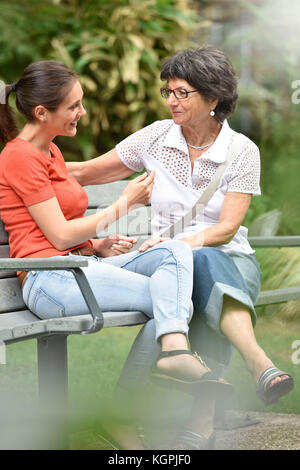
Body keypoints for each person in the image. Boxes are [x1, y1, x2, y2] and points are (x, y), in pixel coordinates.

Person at [0, 60, 233, 450]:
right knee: (171, 303)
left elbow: (49, 227)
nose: (82, 112)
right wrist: (123, 204)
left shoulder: (51, 153)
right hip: (49, 280)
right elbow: (55, 236)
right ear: (42, 112)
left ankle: (172, 352)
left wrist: (96, 245)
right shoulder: (18, 157)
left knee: (173, 252)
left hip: (77, 265)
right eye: (74, 106)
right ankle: (131, 405)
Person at [67, 46, 294, 445]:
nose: (172, 100)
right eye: (168, 91)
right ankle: (251, 371)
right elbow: (86, 172)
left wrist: (181, 244)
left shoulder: (242, 151)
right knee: (190, 277)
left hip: (232, 263)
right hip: (170, 267)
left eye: (182, 92)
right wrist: (24, 165)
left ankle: (165, 411)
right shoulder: (156, 137)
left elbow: (226, 229)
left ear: (214, 97)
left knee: (201, 264)